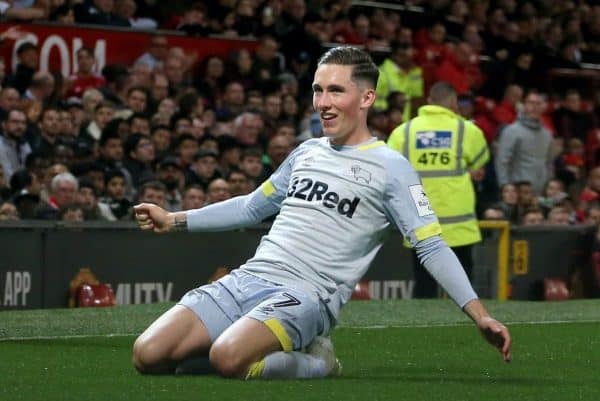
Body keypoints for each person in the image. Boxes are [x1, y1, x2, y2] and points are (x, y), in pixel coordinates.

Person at [132, 46, 511, 380]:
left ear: (366, 98)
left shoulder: (392, 168)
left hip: (307, 295)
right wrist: (174, 219)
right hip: (250, 279)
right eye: (318, 89)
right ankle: (236, 348)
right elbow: (252, 206)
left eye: (335, 91)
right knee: (148, 355)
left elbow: (431, 246)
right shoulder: (306, 151)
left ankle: (319, 360)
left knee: (229, 358)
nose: (323, 102)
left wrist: (480, 315)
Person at [388, 81, 490, 298]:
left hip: (420, 221)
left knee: (424, 286)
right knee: (463, 290)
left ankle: (423, 330)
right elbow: (480, 166)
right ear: (453, 102)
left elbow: (389, 173)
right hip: (459, 223)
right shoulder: (467, 130)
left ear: (429, 101)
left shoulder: (403, 132)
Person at [494, 89, 553, 195]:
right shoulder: (511, 131)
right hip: (517, 193)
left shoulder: (547, 134)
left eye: (538, 104)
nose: (534, 107)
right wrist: (505, 187)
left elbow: (549, 164)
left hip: (540, 194)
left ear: (543, 107)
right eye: (531, 103)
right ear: (523, 105)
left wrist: (549, 188)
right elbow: (502, 162)